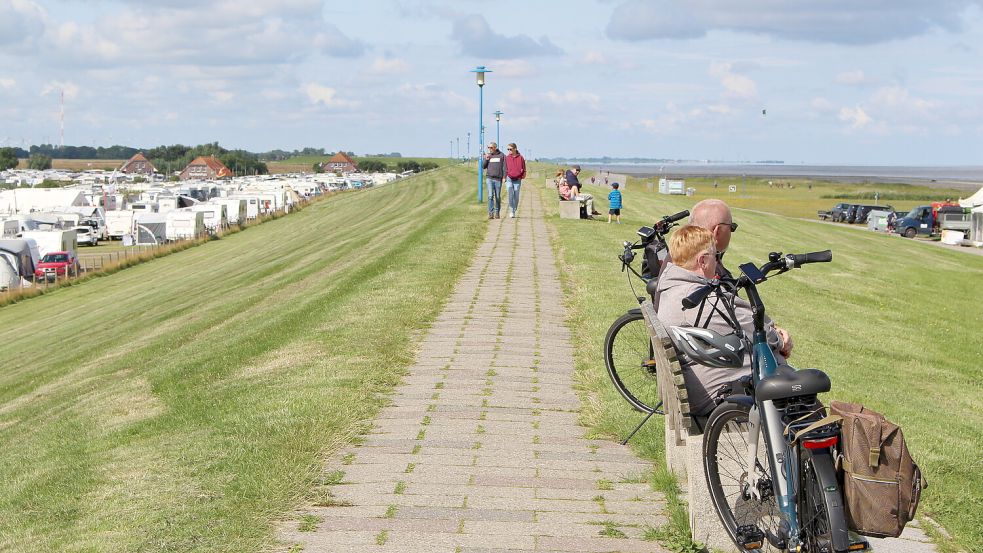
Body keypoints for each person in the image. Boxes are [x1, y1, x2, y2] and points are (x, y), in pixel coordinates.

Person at [657, 225, 793, 416]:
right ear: (703, 261)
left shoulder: (671, 286)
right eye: (716, 256)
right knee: (803, 385)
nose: (718, 261)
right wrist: (780, 339)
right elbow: (756, 329)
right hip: (717, 394)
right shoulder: (699, 302)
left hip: (703, 382)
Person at [482, 142, 506, 219]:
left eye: (491, 147)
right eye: (488, 147)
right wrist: (486, 159)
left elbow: (505, 167)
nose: (489, 149)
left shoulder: (502, 155)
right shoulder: (488, 156)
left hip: (498, 179)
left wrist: (504, 177)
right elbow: (483, 166)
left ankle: (497, 212)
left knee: (498, 197)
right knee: (490, 196)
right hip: (489, 178)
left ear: (495, 147)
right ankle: (491, 213)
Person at [504, 143, 526, 218]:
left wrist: (523, 174)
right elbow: (505, 168)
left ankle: (514, 208)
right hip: (509, 178)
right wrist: (504, 177)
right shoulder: (507, 158)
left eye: (510, 149)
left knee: (516, 195)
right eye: (508, 149)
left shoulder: (521, 157)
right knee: (510, 193)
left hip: (518, 179)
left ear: (515, 149)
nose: (509, 150)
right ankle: (511, 210)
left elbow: (524, 167)